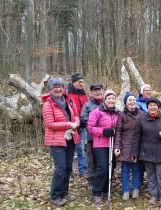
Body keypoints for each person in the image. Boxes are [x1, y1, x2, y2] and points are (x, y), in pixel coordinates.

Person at [41, 77, 80, 206]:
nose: (58, 89)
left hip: (70, 138)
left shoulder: (68, 100)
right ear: (51, 89)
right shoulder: (48, 104)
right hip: (56, 140)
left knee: (68, 168)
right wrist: (69, 124)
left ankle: (64, 193)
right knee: (61, 169)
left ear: (63, 88)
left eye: (60, 87)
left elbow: (76, 115)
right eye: (55, 87)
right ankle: (55, 196)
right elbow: (50, 124)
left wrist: (76, 123)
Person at [132, 97, 161, 205]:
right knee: (151, 176)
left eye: (154, 105)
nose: (152, 107)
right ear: (147, 107)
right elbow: (137, 137)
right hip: (146, 152)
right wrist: (134, 152)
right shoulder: (142, 120)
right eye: (150, 105)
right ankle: (154, 195)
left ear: (158, 107)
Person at [87, 89, 119, 204]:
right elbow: (90, 128)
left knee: (112, 166)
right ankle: (96, 192)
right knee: (103, 167)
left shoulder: (117, 112)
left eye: (113, 98)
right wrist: (103, 131)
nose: (111, 100)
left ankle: (106, 189)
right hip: (100, 144)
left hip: (112, 143)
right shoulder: (97, 112)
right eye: (109, 98)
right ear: (105, 99)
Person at [114, 92, 143, 201]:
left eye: (133, 100)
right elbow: (118, 132)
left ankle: (136, 188)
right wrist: (117, 146)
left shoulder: (141, 114)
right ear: (126, 103)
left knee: (136, 168)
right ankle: (126, 190)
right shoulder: (122, 115)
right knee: (125, 169)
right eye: (129, 100)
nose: (132, 102)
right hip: (125, 145)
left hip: (137, 145)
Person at [80, 83, 104, 188]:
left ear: (102, 90)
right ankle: (92, 182)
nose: (97, 92)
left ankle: (103, 181)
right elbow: (83, 119)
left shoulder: (107, 103)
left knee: (103, 161)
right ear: (91, 92)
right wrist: (96, 121)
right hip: (92, 137)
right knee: (92, 160)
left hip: (106, 138)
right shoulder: (87, 105)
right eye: (95, 90)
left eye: (99, 90)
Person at [66, 72, 89, 177]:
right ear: (74, 82)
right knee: (69, 150)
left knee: (82, 148)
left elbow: (87, 108)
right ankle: (68, 171)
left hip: (83, 125)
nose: (81, 84)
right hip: (71, 126)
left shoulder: (84, 94)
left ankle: (83, 170)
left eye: (82, 82)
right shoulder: (68, 94)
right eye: (79, 81)